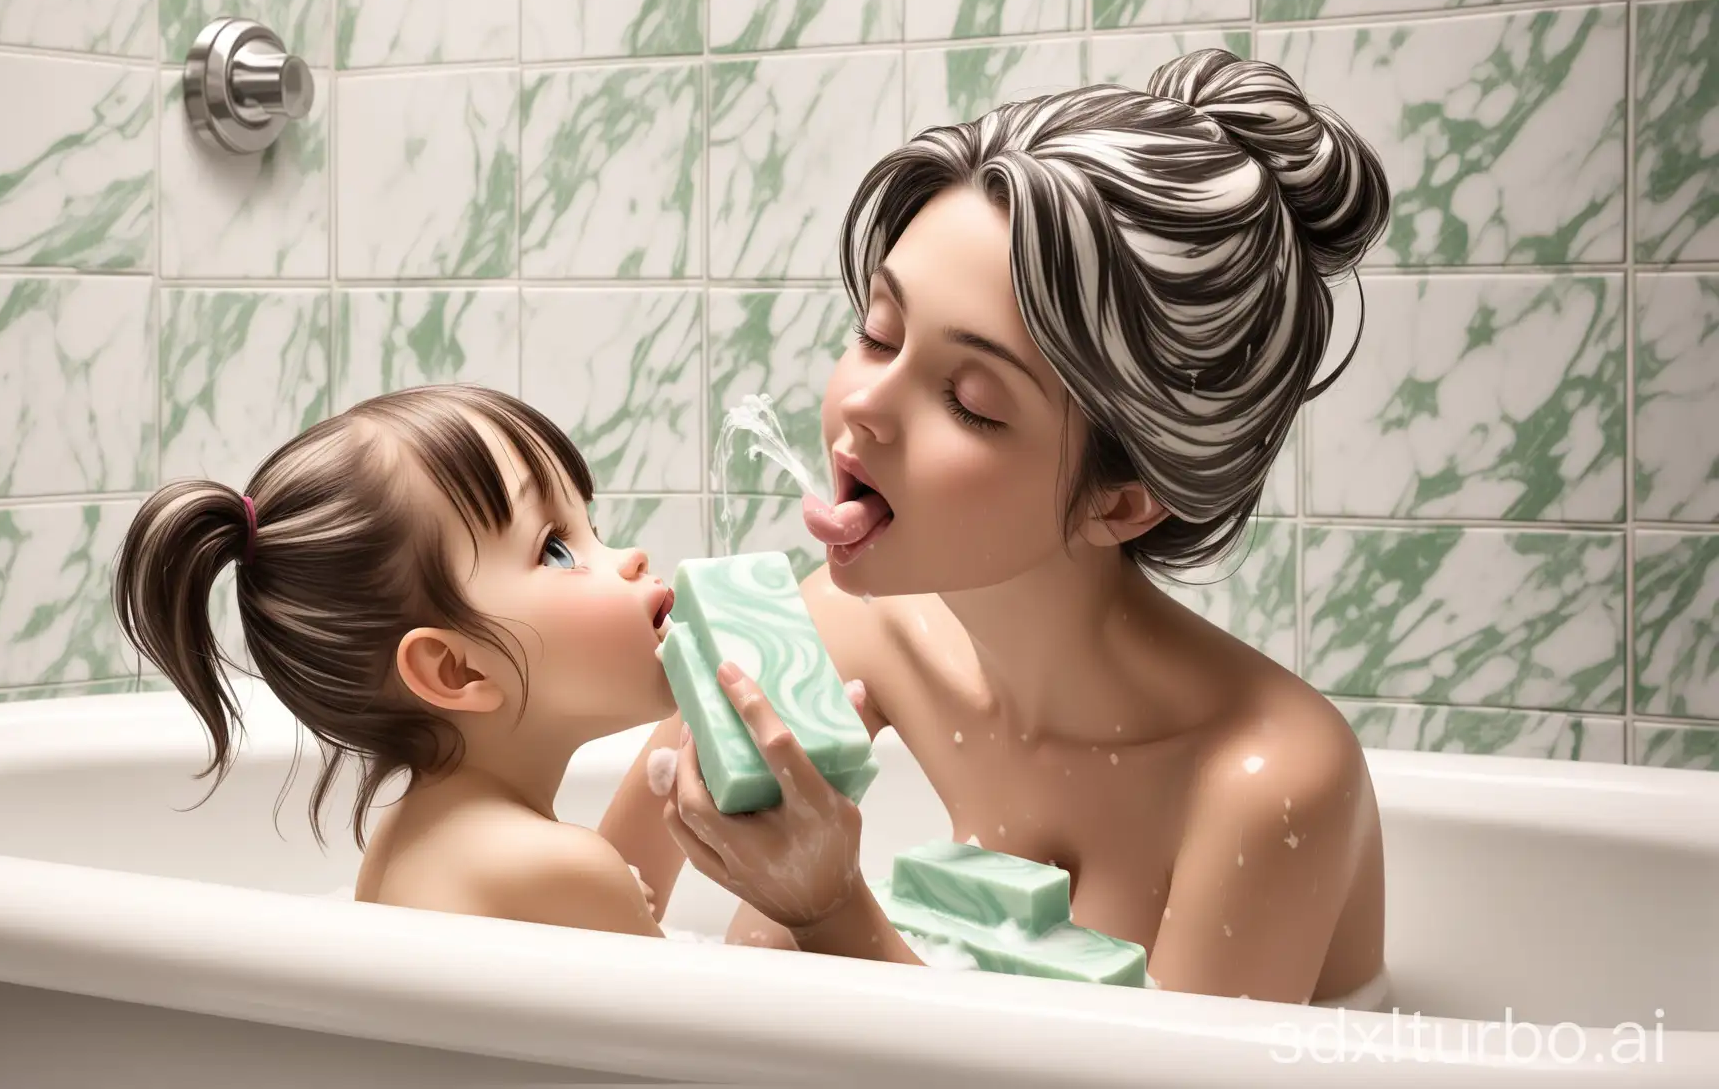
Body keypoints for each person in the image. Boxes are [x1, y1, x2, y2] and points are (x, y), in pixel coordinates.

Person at [600, 49, 1395, 1008]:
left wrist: (829, 910)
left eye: (971, 401)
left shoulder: (1269, 784)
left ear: (1123, 499)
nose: (864, 408)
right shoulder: (837, 635)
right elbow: (591, 925)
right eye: (879, 333)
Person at [115, 384, 677, 937]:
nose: (631, 558)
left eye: (592, 528)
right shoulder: (559, 866)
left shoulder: (425, 835)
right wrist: (770, 884)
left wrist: (692, 724)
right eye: (556, 548)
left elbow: (619, 926)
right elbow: (720, 1014)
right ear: (456, 671)